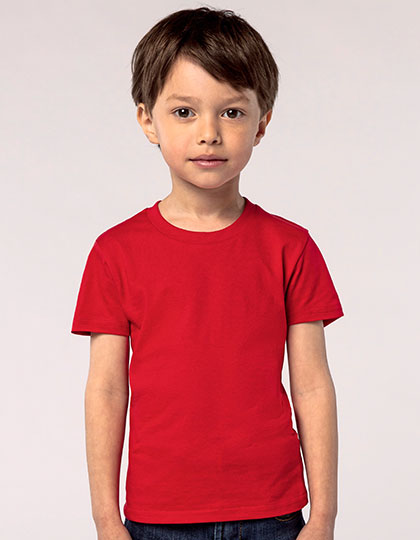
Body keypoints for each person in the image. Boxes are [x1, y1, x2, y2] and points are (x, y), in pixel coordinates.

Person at [71, 6, 344, 540]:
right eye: (184, 112)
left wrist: (324, 517)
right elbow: (106, 390)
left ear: (262, 123)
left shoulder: (291, 248)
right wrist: (106, 520)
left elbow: (312, 386)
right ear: (147, 120)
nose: (209, 134)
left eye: (232, 112)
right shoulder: (115, 253)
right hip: (157, 517)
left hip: (272, 513)